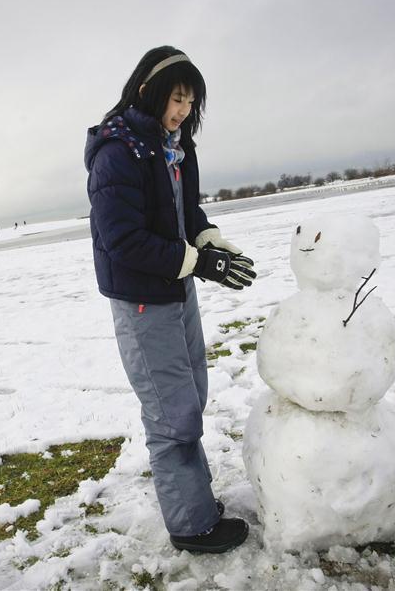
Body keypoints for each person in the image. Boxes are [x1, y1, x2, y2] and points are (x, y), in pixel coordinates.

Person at [84, 46, 256, 554]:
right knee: (170, 413)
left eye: (191, 101)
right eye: (176, 99)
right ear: (149, 92)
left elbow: (186, 213)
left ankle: (195, 500)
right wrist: (196, 263)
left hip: (176, 288)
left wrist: (209, 243)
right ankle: (191, 525)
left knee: (192, 396)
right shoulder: (117, 152)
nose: (183, 110)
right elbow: (123, 240)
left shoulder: (175, 147)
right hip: (141, 300)